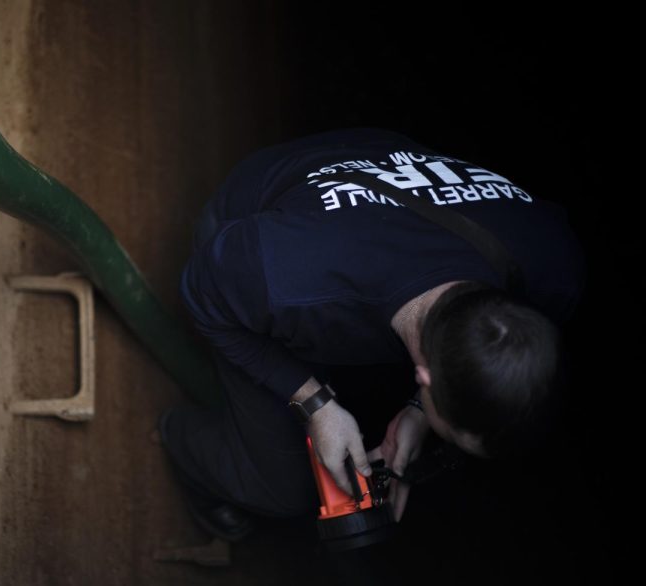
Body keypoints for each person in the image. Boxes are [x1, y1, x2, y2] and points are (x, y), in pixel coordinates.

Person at [158, 128, 585, 542]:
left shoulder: (555, 267)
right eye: (451, 434)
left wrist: (420, 410)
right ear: (425, 377)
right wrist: (316, 403)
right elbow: (201, 292)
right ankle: (181, 443)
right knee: (281, 489)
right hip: (253, 219)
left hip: (373, 169)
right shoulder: (286, 274)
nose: (444, 440)